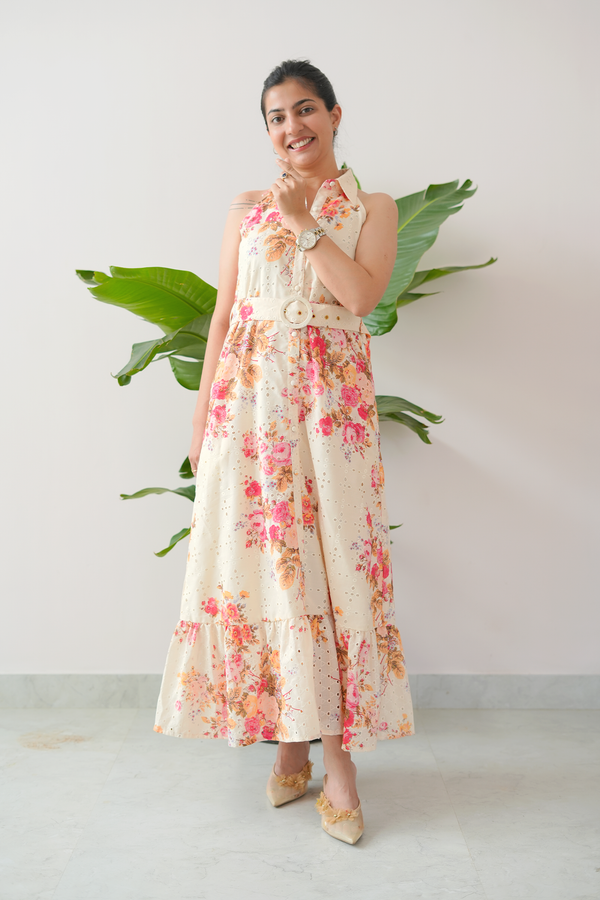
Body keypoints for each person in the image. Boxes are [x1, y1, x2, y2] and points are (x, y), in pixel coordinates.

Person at [153, 59, 415, 844]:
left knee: (333, 572)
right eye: (275, 117)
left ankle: (339, 766)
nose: (291, 127)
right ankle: (291, 740)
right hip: (251, 416)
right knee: (270, 575)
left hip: (330, 420)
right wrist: (203, 419)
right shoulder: (245, 209)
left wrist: (305, 222)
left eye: (304, 110)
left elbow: (362, 299)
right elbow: (228, 311)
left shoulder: (372, 207)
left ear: (335, 114)